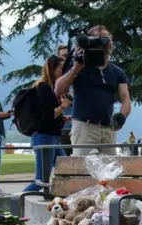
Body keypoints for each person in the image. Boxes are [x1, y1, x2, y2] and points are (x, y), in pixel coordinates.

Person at [55, 25, 131, 156]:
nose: (102, 43)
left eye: (105, 39)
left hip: (108, 128)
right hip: (84, 127)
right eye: (96, 39)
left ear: (111, 44)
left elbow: (125, 98)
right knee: (85, 170)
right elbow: (59, 89)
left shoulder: (117, 72)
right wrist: (75, 69)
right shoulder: (79, 66)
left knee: (109, 170)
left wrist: (122, 116)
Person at [24, 56, 71, 192]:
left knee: (65, 170)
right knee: (41, 180)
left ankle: (59, 196)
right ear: (52, 69)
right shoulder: (43, 88)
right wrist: (64, 106)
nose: (63, 71)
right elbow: (48, 115)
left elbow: (48, 116)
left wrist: (62, 118)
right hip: (44, 137)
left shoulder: (50, 89)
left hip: (53, 137)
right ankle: (16, 202)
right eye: (61, 68)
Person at [56, 44, 73, 155]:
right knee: (64, 160)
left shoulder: (77, 74)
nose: (65, 58)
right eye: (63, 56)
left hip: (79, 124)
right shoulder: (57, 79)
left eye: (68, 55)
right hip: (63, 126)